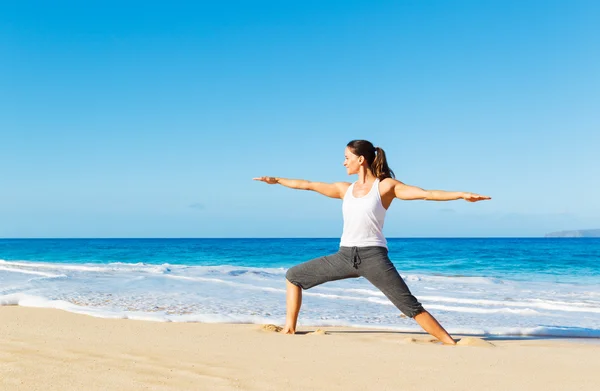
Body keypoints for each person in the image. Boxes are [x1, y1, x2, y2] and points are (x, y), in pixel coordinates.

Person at [253, 140, 490, 345]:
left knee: (409, 306)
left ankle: (451, 343)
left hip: (373, 257)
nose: (344, 162)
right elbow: (307, 184)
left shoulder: (385, 187)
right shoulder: (344, 189)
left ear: (361, 160)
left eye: (347, 158)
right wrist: (277, 180)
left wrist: (460, 194)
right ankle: (290, 328)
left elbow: (426, 193)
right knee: (294, 275)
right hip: (344, 256)